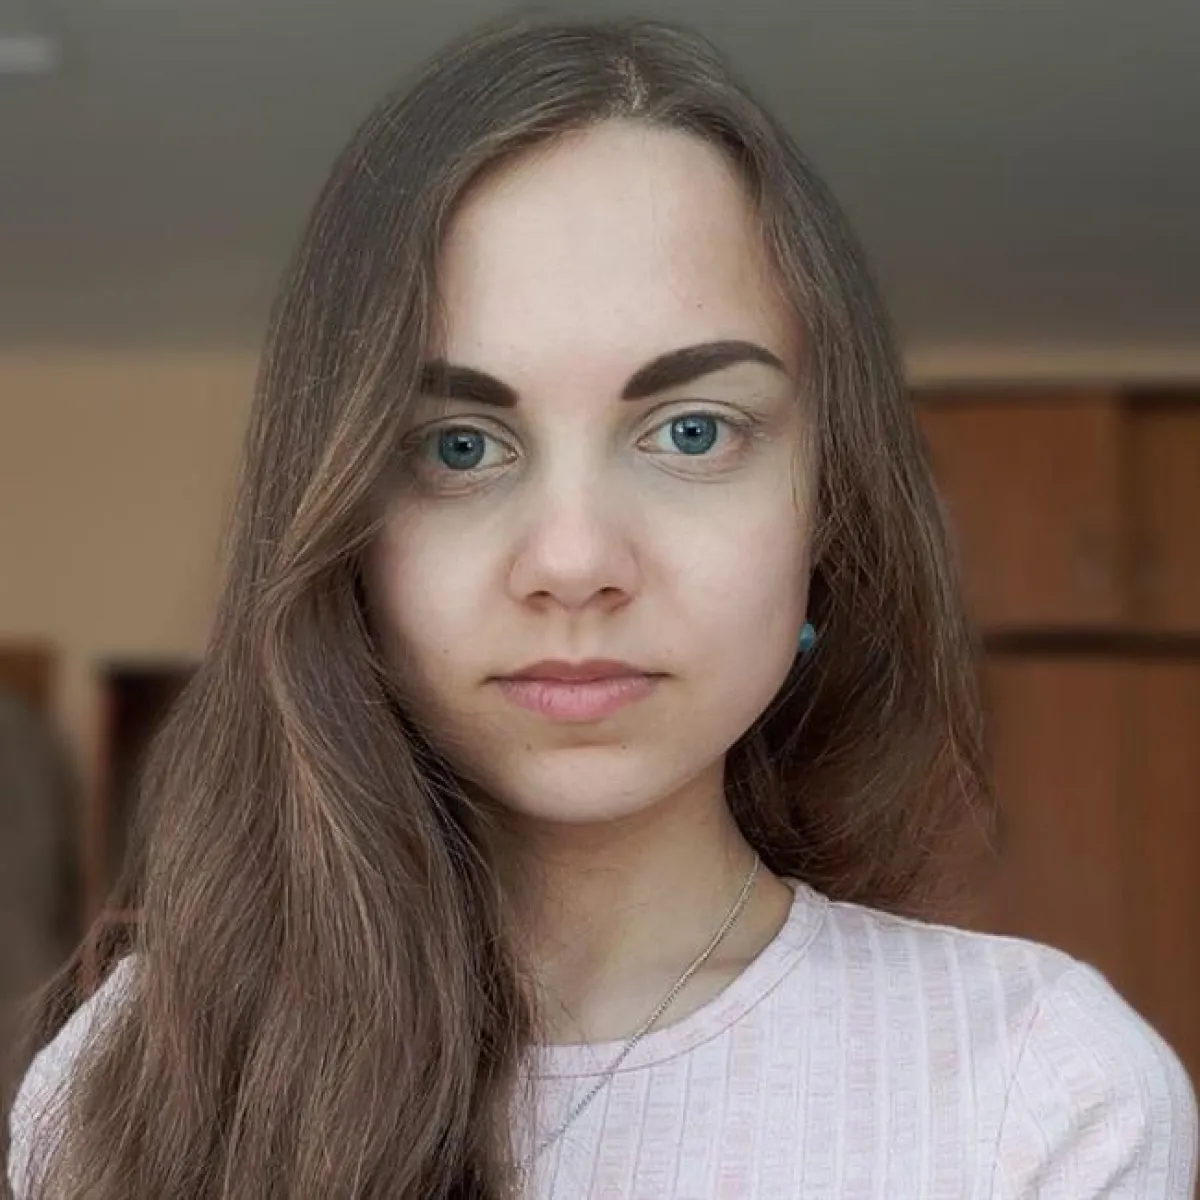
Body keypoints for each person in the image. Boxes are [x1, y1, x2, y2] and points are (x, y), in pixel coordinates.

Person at [5, 16, 1197, 1200]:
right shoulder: (127, 1075)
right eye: (459, 445)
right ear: (343, 529)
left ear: (830, 509)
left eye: (694, 431)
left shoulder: (1037, 1093)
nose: (574, 561)